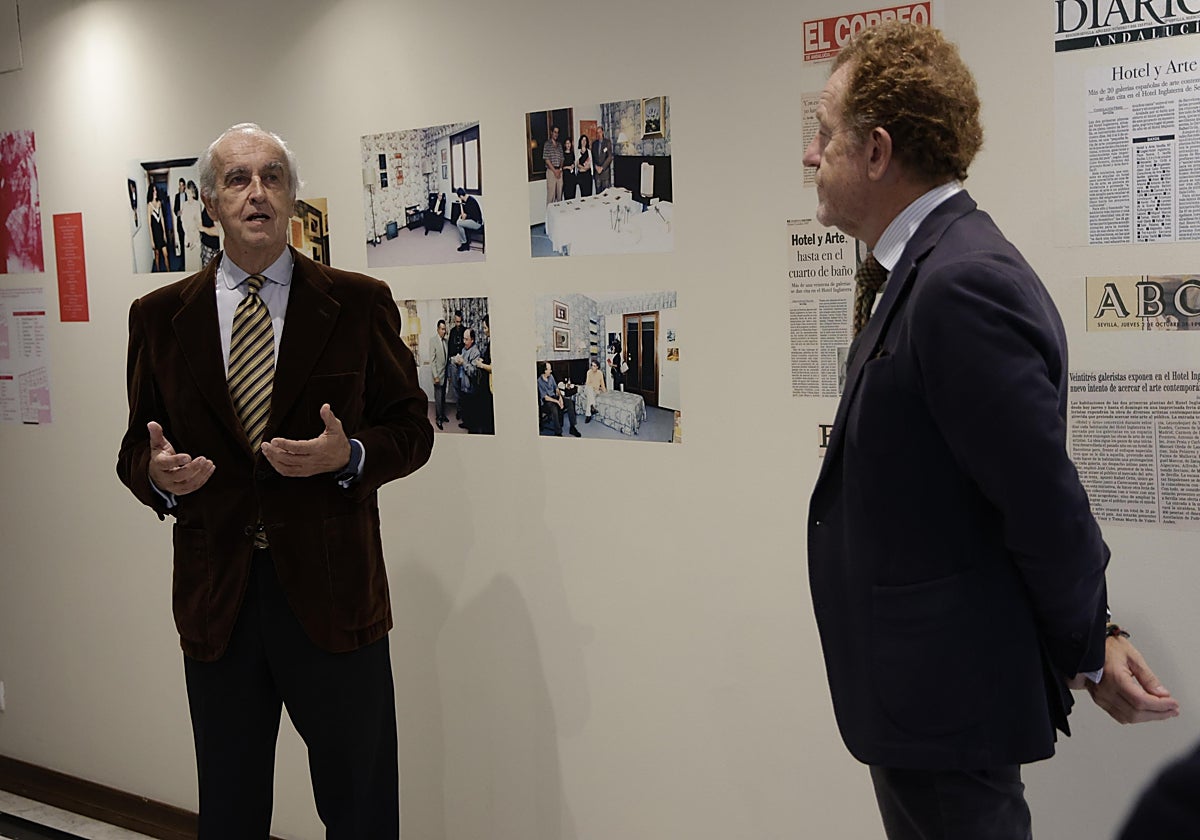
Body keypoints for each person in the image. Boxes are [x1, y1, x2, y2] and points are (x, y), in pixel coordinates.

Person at [801, 23, 1179, 840]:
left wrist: (1089, 642)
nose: (809, 156)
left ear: (876, 150)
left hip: (944, 702)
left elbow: (1043, 501)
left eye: (823, 134)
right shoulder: (930, 269)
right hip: (922, 699)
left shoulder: (958, 284)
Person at [116, 122, 433, 839]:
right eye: (237, 179)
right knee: (229, 811)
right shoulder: (160, 318)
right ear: (208, 201)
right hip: (218, 600)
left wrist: (348, 455)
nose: (256, 192)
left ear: (291, 197)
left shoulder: (357, 301)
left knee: (360, 808)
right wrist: (159, 476)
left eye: (272, 177)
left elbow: (411, 428)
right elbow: (136, 446)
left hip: (334, 593)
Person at [537, 362, 579, 436]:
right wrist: (557, 402)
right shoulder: (539, 381)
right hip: (547, 401)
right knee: (554, 409)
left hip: (554, 396)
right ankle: (558, 432)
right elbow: (545, 397)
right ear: (545, 370)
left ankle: (572, 427)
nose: (551, 371)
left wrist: (560, 398)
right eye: (549, 369)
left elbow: (556, 388)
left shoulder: (551, 377)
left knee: (570, 402)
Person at [454, 327, 482, 432]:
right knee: (464, 406)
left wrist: (463, 363)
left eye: (466, 339)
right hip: (462, 383)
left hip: (470, 386)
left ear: (472, 340)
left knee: (471, 408)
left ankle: (471, 428)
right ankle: (466, 423)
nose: (464, 341)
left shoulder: (475, 352)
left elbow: (473, 371)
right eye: (463, 339)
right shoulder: (463, 349)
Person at [428, 318, 450, 430]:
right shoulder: (433, 341)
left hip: (444, 374)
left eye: (445, 329)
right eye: (442, 329)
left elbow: (446, 359)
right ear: (437, 329)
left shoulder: (446, 341)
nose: (444, 331)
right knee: (438, 397)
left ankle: (443, 415)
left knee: (443, 397)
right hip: (437, 376)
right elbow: (432, 361)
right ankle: (438, 419)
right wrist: (435, 376)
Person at [475, 315, 494, 435]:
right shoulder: (491, 341)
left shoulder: (495, 343)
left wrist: (481, 365)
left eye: (485, 327)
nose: (484, 330)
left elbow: (495, 368)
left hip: (491, 385)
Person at [181, 180, 203, 274]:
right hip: (187, 237)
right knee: (189, 266)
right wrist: (188, 237)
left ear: (193, 192)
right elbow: (183, 221)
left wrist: (194, 239)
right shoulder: (184, 205)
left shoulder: (197, 204)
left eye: (190, 191)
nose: (188, 193)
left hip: (195, 238)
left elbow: (199, 223)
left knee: (196, 267)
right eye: (187, 191)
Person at [447, 309, 465, 418]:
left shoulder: (465, 330)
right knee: (455, 387)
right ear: (454, 321)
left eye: (459, 322)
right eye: (456, 322)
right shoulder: (452, 331)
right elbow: (449, 348)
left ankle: (464, 410)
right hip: (453, 363)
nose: (458, 324)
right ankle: (459, 410)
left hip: (462, 363)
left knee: (463, 387)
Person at [454, 187, 483, 252]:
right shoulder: (468, 199)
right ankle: (466, 240)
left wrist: (460, 203)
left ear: (461, 196)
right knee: (459, 221)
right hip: (473, 220)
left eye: (459, 197)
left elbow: (463, 216)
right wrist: (460, 217)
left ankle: (464, 244)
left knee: (458, 223)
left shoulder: (470, 202)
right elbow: (463, 215)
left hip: (477, 223)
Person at [147, 184, 168, 272]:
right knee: (157, 254)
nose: (155, 192)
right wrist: (151, 240)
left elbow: (162, 218)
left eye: (156, 190)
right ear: (151, 192)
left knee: (165, 254)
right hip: (155, 233)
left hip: (160, 231)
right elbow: (149, 224)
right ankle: (158, 271)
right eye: (153, 190)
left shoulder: (159, 203)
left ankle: (168, 271)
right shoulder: (149, 205)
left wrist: (164, 233)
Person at [543, 125, 564, 204]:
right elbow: (546, 160)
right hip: (551, 171)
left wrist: (560, 169)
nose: (556, 134)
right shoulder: (547, 144)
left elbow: (562, 158)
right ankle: (549, 216)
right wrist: (555, 171)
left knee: (559, 196)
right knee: (551, 196)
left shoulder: (559, 145)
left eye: (557, 133)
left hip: (559, 172)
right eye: (555, 132)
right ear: (551, 132)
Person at [581, 358, 606, 422]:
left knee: (590, 396)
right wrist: (595, 388)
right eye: (592, 365)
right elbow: (587, 383)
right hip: (588, 389)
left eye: (594, 366)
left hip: (594, 391)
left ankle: (588, 414)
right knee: (590, 389)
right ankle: (592, 408)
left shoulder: (600, 373)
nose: (592, 367)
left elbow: (602, 383)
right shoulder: (589, 372)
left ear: (597, 367)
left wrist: (604, 390)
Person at [593, 124, 613, 192]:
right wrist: (596, 167)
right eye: (597, 132)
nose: (599, 134)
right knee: (598, 194)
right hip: (597, 174)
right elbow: (592, 157)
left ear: (603, 132)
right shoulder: (594, 144)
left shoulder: (607, 142)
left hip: (605, 173)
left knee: (606, 194)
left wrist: (602, 168)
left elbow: (610, 157)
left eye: (600, 132)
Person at [173, 177, 187, 262]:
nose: (181, 187)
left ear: (184, 186)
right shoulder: (176, 196)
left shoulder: (187, 196)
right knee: (181, 241)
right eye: (179, 185)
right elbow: (175, 210)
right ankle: (182, 260)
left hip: (187, 222)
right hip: (179, 222)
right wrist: (178, 212)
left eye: (182, 185)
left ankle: (188, 259)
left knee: (187, 241)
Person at [576, 134, 594, 198]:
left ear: (586, 142)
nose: (583, 142)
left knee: (589, 195)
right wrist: (583, 168)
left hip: (588, 176)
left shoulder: (589, 152)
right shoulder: (578, 152)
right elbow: (577, 164)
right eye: (582, 140)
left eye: (585, 140)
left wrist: (584, 168)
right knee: (583, 195)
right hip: (581, 176)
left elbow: (590, 164)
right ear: (580, 141)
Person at [562, 136, 577, 201]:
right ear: (565, 145)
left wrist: (573, 165)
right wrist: (568, 167)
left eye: (569, 143)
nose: (568, 145)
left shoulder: (572, 153)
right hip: (566, 176)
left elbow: (574, 162)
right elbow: (562, 166)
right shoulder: (563, 154)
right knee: (567, 194)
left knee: (573, 193)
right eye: (567, 143)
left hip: (572, 176)